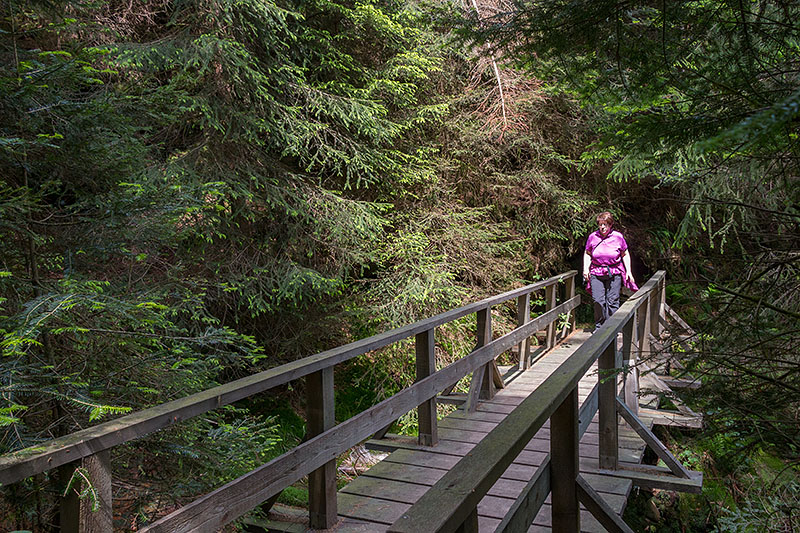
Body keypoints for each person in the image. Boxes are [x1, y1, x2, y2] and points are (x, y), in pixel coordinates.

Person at [583, 212, 637, 331]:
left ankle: (612, 327)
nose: (602, 227)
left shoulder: (618, 237)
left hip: (614, 271)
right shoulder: (593, 237)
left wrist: (629, 271)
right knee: (598, 300)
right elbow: (587, 253)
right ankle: (599, 327)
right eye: (600, 224)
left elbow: (625, 253)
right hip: (596, 272)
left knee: (613, 301)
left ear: (610, 224)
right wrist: (585, 269)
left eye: (605, 224)